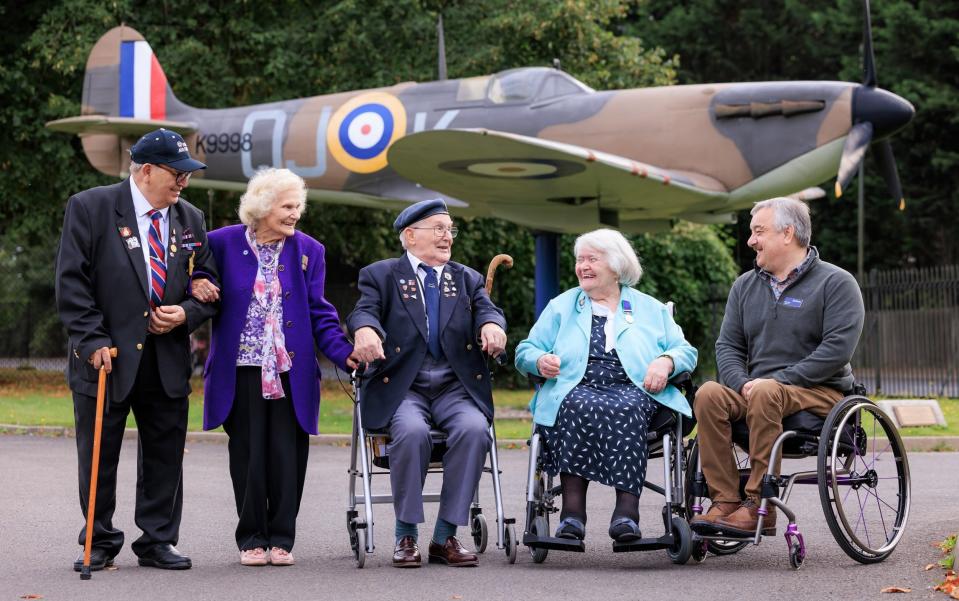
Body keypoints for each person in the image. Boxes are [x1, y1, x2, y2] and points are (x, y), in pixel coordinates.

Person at [56, 128, 217, 571]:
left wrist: (186, 313)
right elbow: (72, 285)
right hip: (107, 358)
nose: (183, 182)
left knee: (165, 455)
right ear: (146, 171)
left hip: (165, 360)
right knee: (98, 456)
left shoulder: (191, 219)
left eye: (187, 174)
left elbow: (208, 284)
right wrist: (92, 340)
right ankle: (99, 540)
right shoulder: (90, 207)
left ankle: (158, 540)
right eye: (176, 173)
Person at [193, 168, 357, 567]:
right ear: (263, 207)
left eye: (298, 206)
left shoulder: (309, 250)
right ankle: (251, 537)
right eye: (287, 206)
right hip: (242, 368)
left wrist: (344, 353)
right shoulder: (221, 242)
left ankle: (282, 538)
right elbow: (198, 278)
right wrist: (197, 279)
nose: (294, 213)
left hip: (290, 371)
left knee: (287, 455)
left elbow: (319, 311)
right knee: (248, 455)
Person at [689, 197, 864, 537]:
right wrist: (741, 383)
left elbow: (836, 350)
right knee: (709, 393)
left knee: (767, 390)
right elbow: (728, 346)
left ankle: (759, 506)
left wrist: (774, 381)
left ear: (787, 234)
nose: (751, 240)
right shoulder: (744, 286)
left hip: (821, 393)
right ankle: (725, 501)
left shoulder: (837, 283)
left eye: (758, 231)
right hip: (759, 394)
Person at [348, 199, 507, 568]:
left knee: (474, 429)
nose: (446, 236)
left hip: (454, 386)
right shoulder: (381, 274)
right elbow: (363, 310)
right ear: (409, 235)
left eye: (449, 230)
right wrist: (366, 329)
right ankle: (406, 535)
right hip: (404, 386)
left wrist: (491, 325)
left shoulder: (465, 277)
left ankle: (444, 536)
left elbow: (488, 308)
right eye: (437, 228)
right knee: (412, 432)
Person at [514, 228, 697, 542]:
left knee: (627, 406)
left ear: (615, 265)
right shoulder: (563, 305)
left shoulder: (649, 308)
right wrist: (539, 360)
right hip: (575, 385)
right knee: (573, 403)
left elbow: (686, 351)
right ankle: (572, 515)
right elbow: (525, 350)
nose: (582, 266)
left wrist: (665, 362)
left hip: (635, 388)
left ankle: (626, 514)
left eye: (592, 259)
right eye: (580, 259)